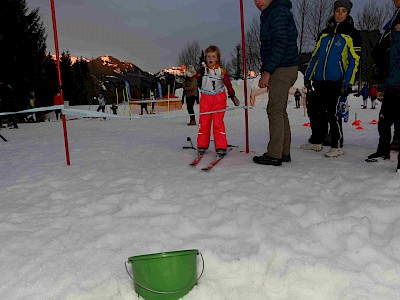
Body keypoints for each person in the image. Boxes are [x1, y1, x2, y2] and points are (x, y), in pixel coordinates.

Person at [301, 0, 360, 157]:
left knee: (333, 114)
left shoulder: (351, 34)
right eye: (337, 11)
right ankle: (316, 141)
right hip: (320, 79)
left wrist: (348, 83)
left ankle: (337, 145)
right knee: (316, 111)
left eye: (343, 11)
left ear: (347, 13)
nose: (340, 14)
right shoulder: (324, 33)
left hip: (337, 80)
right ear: (334, 12)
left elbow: (354, 61)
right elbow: (315, 56)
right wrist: (308, 76)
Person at [252, 0, 299, 166]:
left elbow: (280, 43)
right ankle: (283, 152)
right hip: (284, 66)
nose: (258, 2)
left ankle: (274, 154)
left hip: (283, 67)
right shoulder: (272, 12)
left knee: (274, 110)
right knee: (280, 110)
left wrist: (267, 71)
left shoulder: (277, 12)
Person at [366, 1, 400, 164]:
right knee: (384, 120)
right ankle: (383, 150)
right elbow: (384, 53)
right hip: (391, 79)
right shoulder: (393, 20)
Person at [196, 45, 240, 157]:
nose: (211, 59)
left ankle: (220, 146)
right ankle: (202, 144)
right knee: (204, 122)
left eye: (213, 56)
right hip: (206, 98)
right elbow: (197, 74)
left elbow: (227, 83)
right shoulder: (203, 69)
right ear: (206, 58)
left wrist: (232, 95)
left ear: (217, 58)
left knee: (218, 123)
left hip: (219, 98)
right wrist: (192, 74)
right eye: (208, 56)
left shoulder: (222, 71)